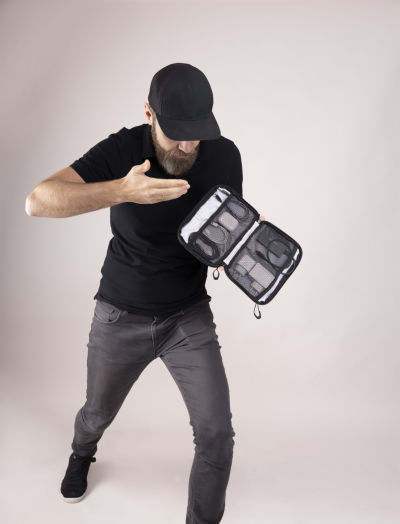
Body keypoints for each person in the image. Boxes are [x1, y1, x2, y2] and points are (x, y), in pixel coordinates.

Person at [25, 62, 261, 523]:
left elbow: (222, 235)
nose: (187, 145)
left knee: (216, 434)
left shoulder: (225, 155)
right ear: (149, 114)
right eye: (177, 134)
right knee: (96, 415)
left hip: (187, 315)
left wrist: (246, 242)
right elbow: (38, 200)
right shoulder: (124, 149)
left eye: (196, 134)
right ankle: (82, 452)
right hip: (119, 313)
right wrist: (122, 190)